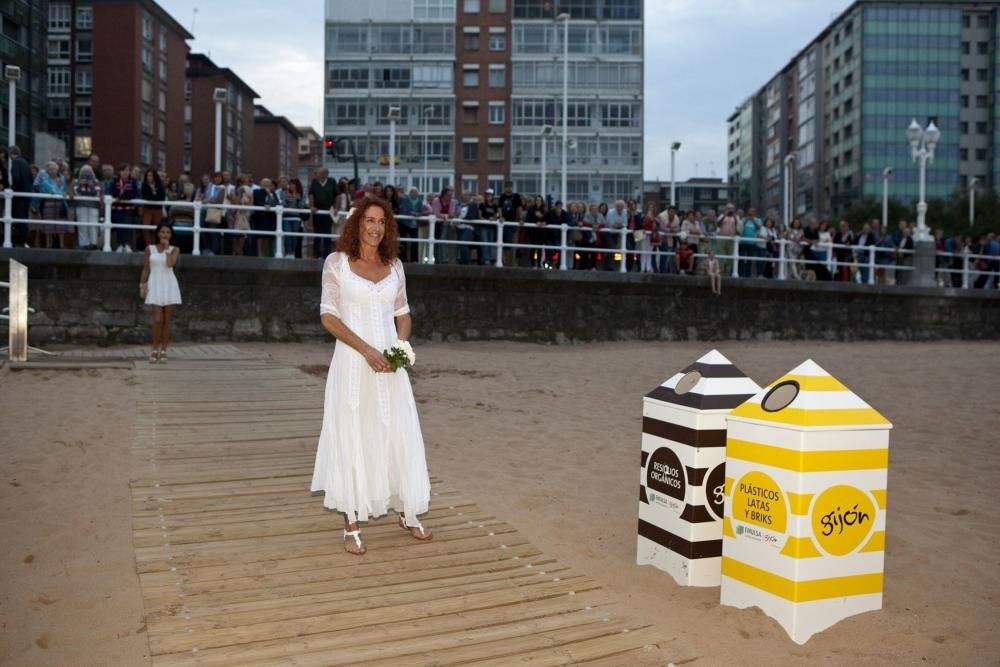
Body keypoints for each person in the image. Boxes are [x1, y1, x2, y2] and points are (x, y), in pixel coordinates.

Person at [311, 196, 433, 555]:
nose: (376, 228)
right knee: (353, 433)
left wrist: (399, 348)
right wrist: (366, 350)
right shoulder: (337, 264)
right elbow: (328, 316)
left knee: (397, 432)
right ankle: (351, 521)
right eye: (370, 221)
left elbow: (404, 314)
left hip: (389, 366)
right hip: (352, 363)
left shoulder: (394, 266)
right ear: (356, 223)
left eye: (382, 222)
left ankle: (407, 510)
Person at [139, 223, 182, 364]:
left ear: (171, 235)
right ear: (158, 234)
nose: (165, 235)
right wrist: (142, 284)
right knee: (157, 319)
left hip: (169, 284)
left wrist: (167, 249)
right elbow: (146, 268)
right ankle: (154, 349)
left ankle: (164, 350)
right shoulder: (149, 249)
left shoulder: (175, 249)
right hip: (155, 284)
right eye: (162, 232)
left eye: (168, 232)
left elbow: (170, 264)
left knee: (167, 320)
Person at [309, 168, 337, 259]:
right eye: (318, 174)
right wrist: (312, 206)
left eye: (320, 174)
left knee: (327, 233)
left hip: (328, 210)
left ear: (325, 174)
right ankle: (316, 254)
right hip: (317, 210)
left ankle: (326, 255)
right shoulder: (314, 182)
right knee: (316, 232)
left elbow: (337, 195)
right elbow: (311, 194)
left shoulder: (332, 182)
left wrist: (336, 207)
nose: (318, 176)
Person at [8, 146, 33, 246]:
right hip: (26, 194)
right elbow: (30, 178)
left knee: (18, 217)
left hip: (19, 195)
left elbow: (16, 177)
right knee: (24, 218)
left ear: (11, 154)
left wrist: (11, 189)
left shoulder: (16, 162)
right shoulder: (26, 163)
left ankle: (20, 241)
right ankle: (25, 240)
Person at [73, 165, 102, 249]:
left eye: (88, 172)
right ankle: (83, 244)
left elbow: (96, 193)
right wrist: (81, 185)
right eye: (85, 172)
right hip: (81, 206)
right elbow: (76, 192)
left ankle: (93, 243)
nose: (86, 173)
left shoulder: (96, 181)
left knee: (93, 225)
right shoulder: (77, 182)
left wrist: (91, 185)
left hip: (93, 207)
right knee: (82, 225)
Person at [498, 182, 523, 267]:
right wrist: (501, 217)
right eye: (506, 187)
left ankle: (511, 262)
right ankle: (504, 261)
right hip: (504, 223)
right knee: (503, 243)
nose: (508, 189)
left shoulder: (516, 196)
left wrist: (520, 219)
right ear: (504, 188)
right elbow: (500, 208)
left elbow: (519, 208)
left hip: (513, 223)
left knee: (512, 244)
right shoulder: (502, 197)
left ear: (512, 188)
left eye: (509, 187)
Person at [252, 178, 278, 257]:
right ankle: (259, 252)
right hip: (260, 216)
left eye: (268, 183)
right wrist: (264, 205)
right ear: (261, 184)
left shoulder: (273, 193)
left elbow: (276, 203)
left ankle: (263, 252)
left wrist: (269, 194)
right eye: (265, 183)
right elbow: (256, 201)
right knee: (260, 236)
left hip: (270, 217)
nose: (267, 185)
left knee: (267, 236)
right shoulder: (256, 192)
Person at [140, 169, 166, 249]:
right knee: (146, 228)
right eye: (147, 175)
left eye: (151, 175)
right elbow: (145, 196)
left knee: (156, 229)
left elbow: (161, 196)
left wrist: (153, 198)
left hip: (157, 210)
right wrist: (153, 198)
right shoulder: (144, 185)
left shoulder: (159, 185)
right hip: (147, 209)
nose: (149, 177)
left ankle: (155, 246)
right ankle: (148, 246)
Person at [398, 187, 423, 263]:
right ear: (410, 193)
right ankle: (403, 259)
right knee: (403, 242)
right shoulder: (405, 200)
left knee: (415, 242)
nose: (414, 194)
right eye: (412, 192)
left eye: (416, 192)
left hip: (415, 224)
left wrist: (418, 214)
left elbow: (421, 211)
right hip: (405, 223)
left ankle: (414, 260)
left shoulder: (420, 201)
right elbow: (402, 210)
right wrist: (411, 213)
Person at [282, 178, 306, 258]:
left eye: (293, 184)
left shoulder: (301, 195)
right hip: (286, 217)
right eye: (290, 184)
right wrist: (288, 200)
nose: (291, 186)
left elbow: (301, 207)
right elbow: (283, 205)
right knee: (288, 235)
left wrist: (296, 199)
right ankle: (287, 253)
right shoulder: (285, 194)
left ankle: (292, 252)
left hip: (296, 218)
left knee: (294, 236)